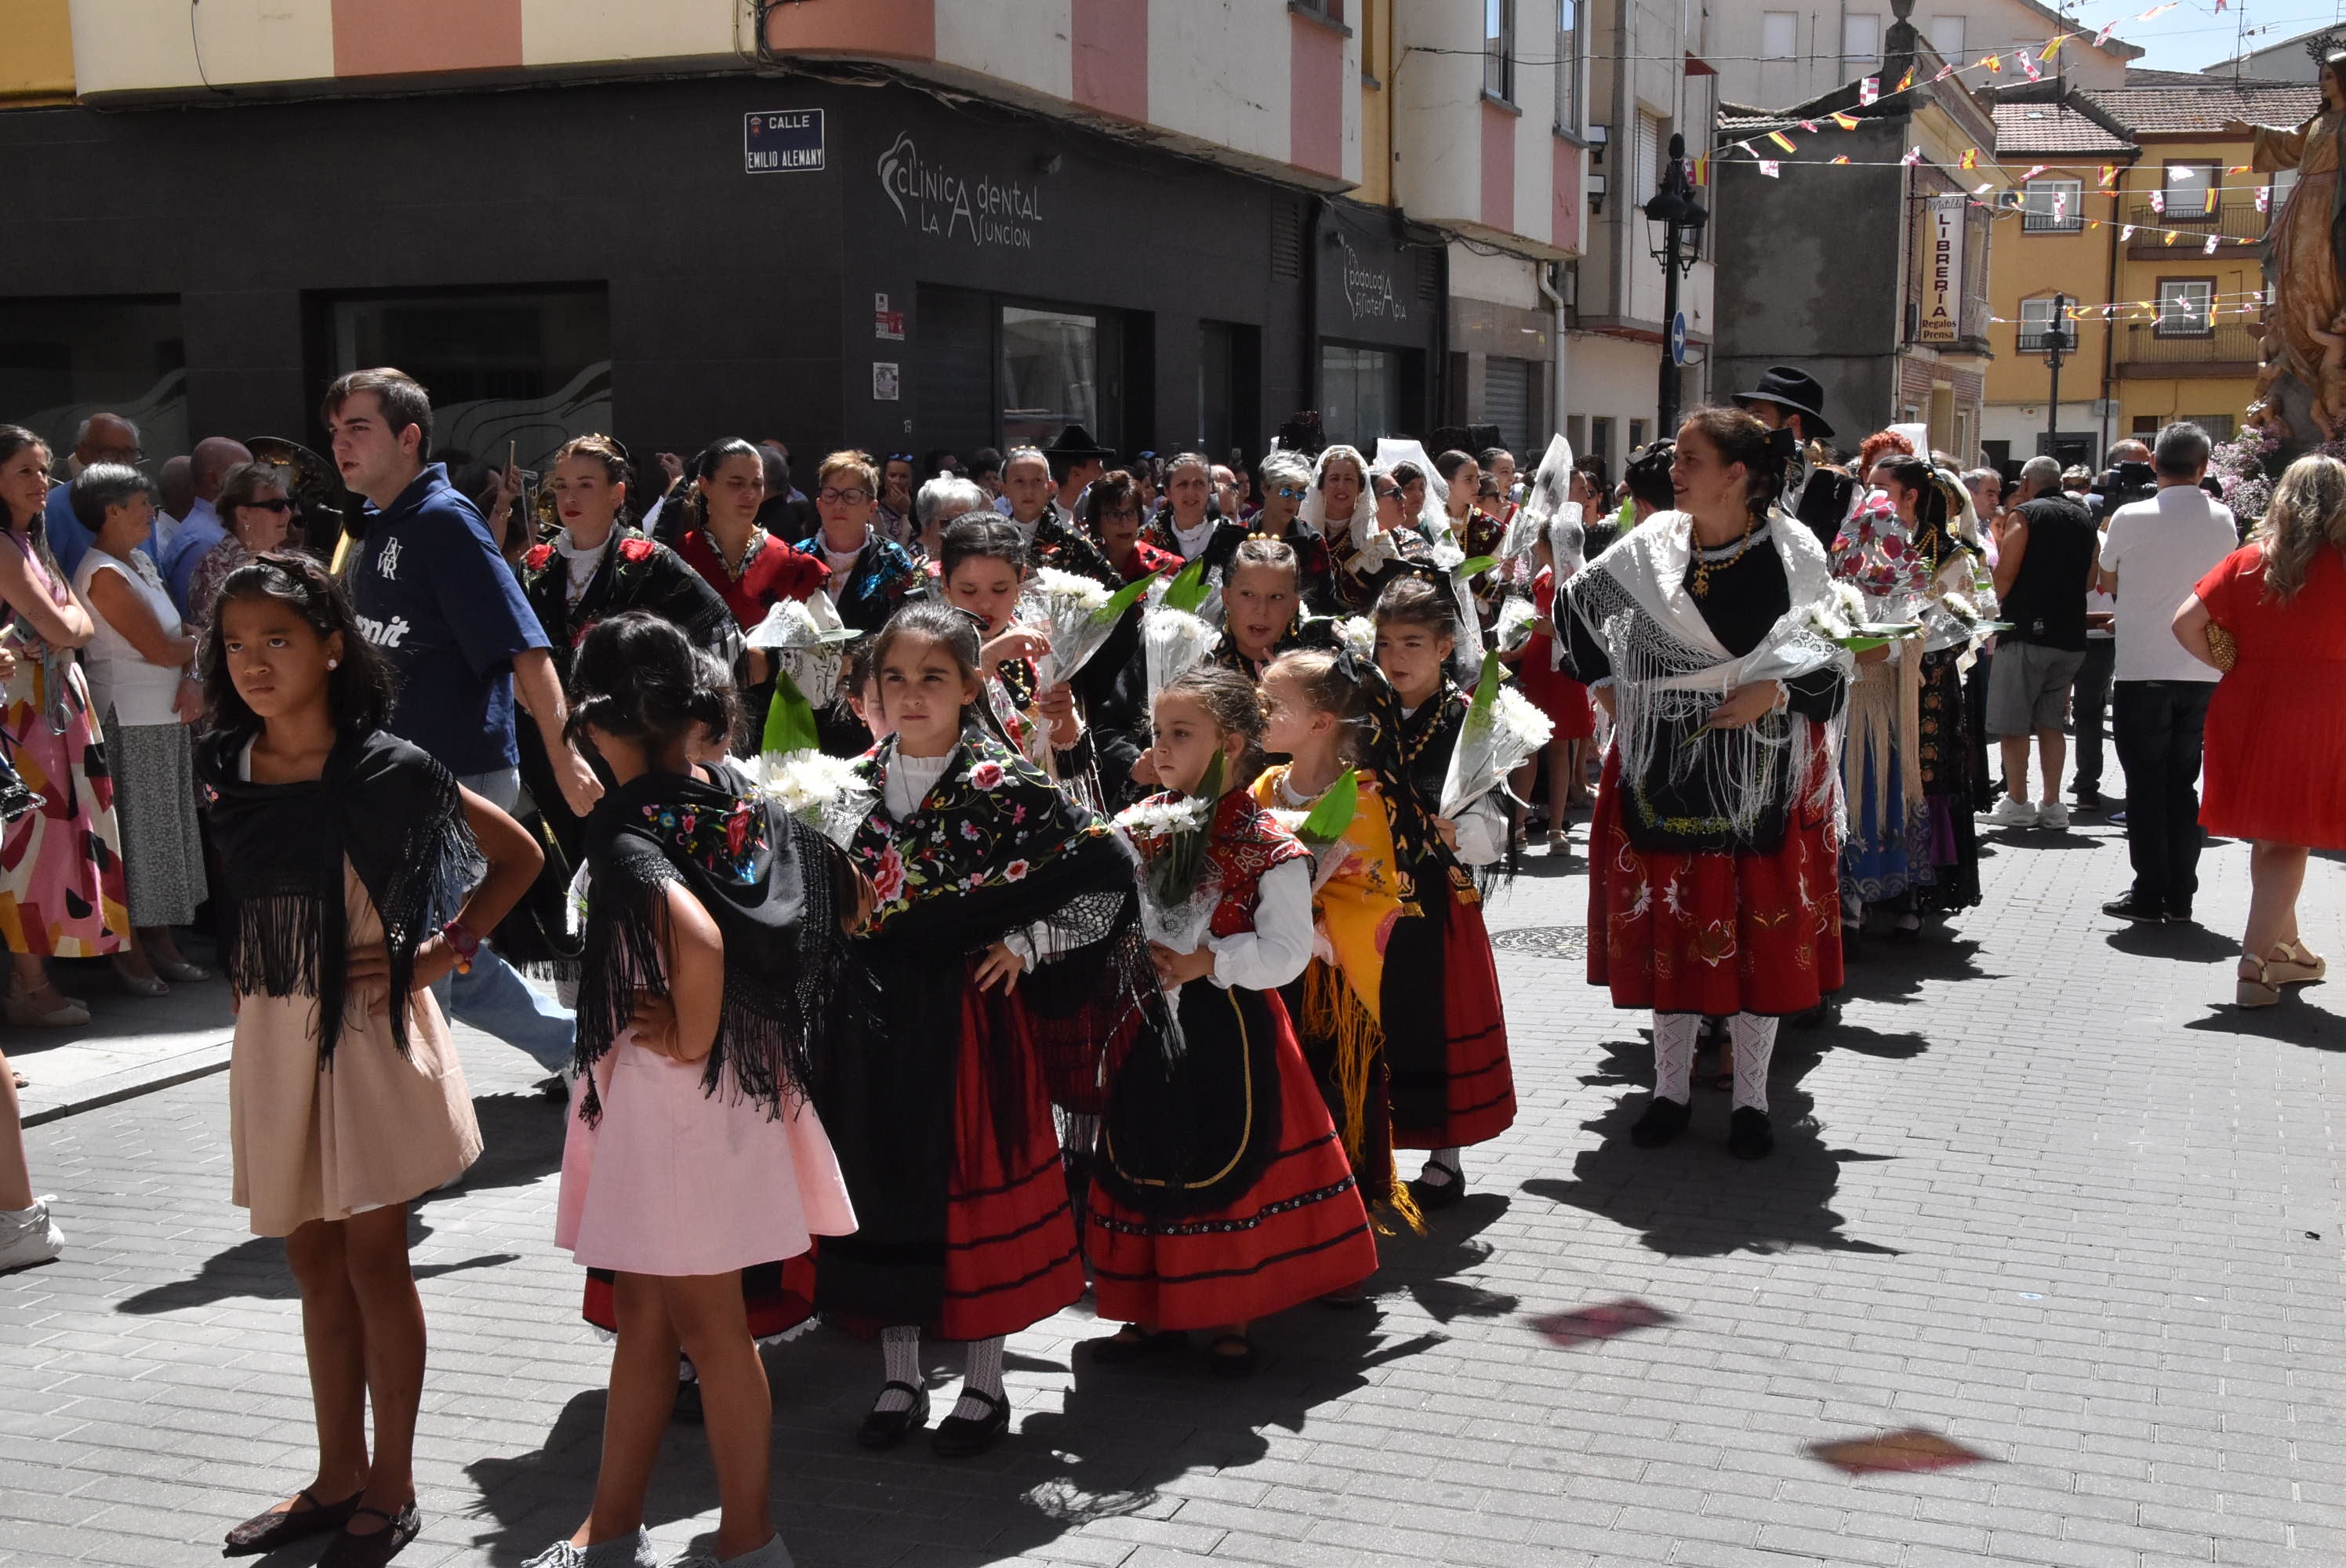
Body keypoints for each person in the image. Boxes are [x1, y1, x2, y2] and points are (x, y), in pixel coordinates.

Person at [203, 553, 538, 1568]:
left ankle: (390, 1489)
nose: (254, 662)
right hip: (271, 1034)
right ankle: (335, 1475)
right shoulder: (218, 765)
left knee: (372, 1259)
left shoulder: (389, 764)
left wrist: (439, 951)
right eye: (236, 644)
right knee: (309, 1257)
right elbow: (180, 885)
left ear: (331, 647)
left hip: (374, 1036)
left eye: (279, 641)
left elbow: (519, 856)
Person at [532, 615, 858, 1568]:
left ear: (600, 725)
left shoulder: (631, 823)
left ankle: (750, 1540)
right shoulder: (734, 800)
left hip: (676, 1091)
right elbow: (835, 891)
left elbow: (700, 942)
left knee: (709, 1329)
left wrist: (686, 1028)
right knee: (648, 1318)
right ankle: (613, 1528)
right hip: (736, 1087)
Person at [826, 599, 1164, 1454]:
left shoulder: (1006, 783)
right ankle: (900, 1377)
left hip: (971, 1025)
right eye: (893, 677)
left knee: (971, 1194)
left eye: (932, 677)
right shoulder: (845, 786)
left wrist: (1028, 939)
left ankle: (983, 1382)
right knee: (884, 1189)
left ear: (972, 683)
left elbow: (1109, 873)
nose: (909, 694)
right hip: (872, 1022)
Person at [1559, 408, 1850, 1160]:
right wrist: (1605, 686)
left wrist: (1776, 693)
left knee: (1756, 924)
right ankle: (1670, 1091)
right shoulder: (1651, 547)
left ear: (1737, 475)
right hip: (1660, 762)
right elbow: (1575, 605)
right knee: (1673, 922)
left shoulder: (1795, 555)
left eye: (1691, 459)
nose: (1674, 470)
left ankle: (1751, 1100)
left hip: (1762, 763)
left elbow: (1830, 657)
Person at [1088, 666, 1378, 1372]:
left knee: (1230, 1161)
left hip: (1234, 1031)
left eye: (1181, 734)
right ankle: (1144, 1308)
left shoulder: (1271, 846)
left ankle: (1231, 1314)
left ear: (1235, 741)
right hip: (1148, 1024)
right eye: (1158, 733)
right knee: (1144, 1156)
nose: (1162, 748)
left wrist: (1210, 962)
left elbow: (1284, 953)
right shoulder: (1137, 826)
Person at [327, 368, 590, 1073]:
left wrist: (566, 762)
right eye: (335, 431)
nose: (340, 445)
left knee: (421, 960)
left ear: (408, 438)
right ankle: (583, 1054)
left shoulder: (444, 521)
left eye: (359, 428)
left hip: (457, 780)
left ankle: (417, 1128)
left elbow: (524, 645)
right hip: (397, 780)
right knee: (445, 958)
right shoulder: (381, 524)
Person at [1252, 649, 1418, 1238]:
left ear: (1321, 723)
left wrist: (1314, 923)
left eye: (1272, 705)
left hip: (1331, 975)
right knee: (1283, 1083)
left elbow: (1372, 890)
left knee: (1340, 1084)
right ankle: (1290, 1201)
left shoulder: (1363, 798)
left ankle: (1349, 1215)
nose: (1257, 711)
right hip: (1273, 966)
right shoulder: (1266, 785)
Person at [2171, 453, 2346, 1005]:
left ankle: (2285, 949)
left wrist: (2231, 663)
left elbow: (2185, 623)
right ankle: (2253, 965)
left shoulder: (2251, 560)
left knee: (2270, 833)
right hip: (2325, 702)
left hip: (2248, 699)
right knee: (2291, 838)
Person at [1367, 578, 1514, 1201]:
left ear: (1446, 645)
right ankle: (1369, 1145)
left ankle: (1444, 1157)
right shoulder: (1363, 712)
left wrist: (1459, 832)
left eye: (1413, 642)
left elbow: (1496, 830)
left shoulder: (1471, 719)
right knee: (1376, 1022)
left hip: (1437, 897)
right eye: (1384, 642)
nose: (1395, 657)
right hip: (1367, 895)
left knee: (1433, 1019)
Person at [0, 427, 129, 1026]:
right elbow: (64, 626)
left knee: (54, 840)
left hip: (50, 709)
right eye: (26, 470)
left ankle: (35, 979)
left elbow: (75, 620)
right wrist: (69, 626)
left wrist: (69, 624)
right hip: (24, 714)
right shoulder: (4, 546)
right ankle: (29, 984)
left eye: (45, 470)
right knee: (29, 845)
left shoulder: (32, 542)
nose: (42, 484)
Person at [69, 465, 209, 991]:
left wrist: (192, 659)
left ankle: (160, 941)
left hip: (164, 718)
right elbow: (161, 648)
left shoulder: (141, 562)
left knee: (163, 836)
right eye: (141, 503)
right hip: (130, 722)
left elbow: (182, 638)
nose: (152, 512)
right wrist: (200, 648)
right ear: (111, 512)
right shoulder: (103, 573)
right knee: (140, 841)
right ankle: (133, 950)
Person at [2096, 423, 2238, 924]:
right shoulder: (2223, 518)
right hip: (2201, 669)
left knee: (2145, 785)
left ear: (2154, 463)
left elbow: (2106, 578)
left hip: (2142, 668)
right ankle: (2182, 894)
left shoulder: (2130, 516)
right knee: (2183, 784)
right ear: (2204, 468)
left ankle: (2149, 890)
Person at [673, 437, 830, 734]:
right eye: (735, 483)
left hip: (774, 721)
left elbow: (826, 654)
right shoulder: (676, 560)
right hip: (691, 720)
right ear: (705, 486)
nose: (748, 495)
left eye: (756, 484)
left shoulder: (794, 565)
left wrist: (772, 662)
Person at [1984, 454, 2096, 829]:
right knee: (2052, 722)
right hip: (2071, 635)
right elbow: (2090, 579)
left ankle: (2017, 801)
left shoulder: (2026, 515)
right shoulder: (2084, 517)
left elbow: (2006, 575)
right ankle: (2053, 805)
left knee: (2013, 721)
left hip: (2027, 631)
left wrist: (1988, 604)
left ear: (2028, 482)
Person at [1511, 519, 1596, 851]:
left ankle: (1557, 827)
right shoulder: (1542, 578)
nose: (1534, 546)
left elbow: (1589, 631)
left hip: (1563, 670)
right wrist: (1513, 651)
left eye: (1539, 540)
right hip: (1537, 667)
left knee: (1560, 746)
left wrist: (1555, 632)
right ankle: (1519, 822)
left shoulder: (1578, 581)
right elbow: (1534, 628)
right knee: (1530, 744)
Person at [798, 450, 921, 637]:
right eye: (831, 495)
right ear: (819, 505)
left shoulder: (891, 558)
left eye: (851, 496)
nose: (839, 505)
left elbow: (908, 628)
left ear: (872, 508)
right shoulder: (797, 556)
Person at [1300, 445, 1425, 614]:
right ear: (1320, 486)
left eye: (1349, 479)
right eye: (1334, 479)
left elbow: (1393, 596)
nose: (1342, 486)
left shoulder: (1373, 537)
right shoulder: (1303, 534)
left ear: (1361, 488)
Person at [186, 460, 298, 642]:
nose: (287, 513)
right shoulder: (213, 567)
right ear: (243, 514)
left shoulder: (291, 559)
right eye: (276, 506)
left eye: (289, 504)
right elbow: (211, 639)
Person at [41, 412, 146, 579]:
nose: (120, 461)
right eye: (108, 451)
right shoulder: (52, 509)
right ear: (81, 452)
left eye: (129, 452)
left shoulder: (143, 506)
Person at [158, 436, 255, 614]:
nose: (253, 484)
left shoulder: (210, 531)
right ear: (213, 480)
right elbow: (202, 617)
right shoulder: (202, 541)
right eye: (243, 475)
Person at [998, 446, 1119, 586]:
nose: (1029, 490)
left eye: (1037, 481)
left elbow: (1114, 585)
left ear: (1050, 487)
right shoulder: (996, 537)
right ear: (1004, 489)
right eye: (1019, 481)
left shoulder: (1070, 538)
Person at [1214, 537, 1319, 681]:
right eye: (1248, 594)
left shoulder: (1313, 680)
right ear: (1227, 599)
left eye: (1276, 597)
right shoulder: (1203, 672)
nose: (1262, 609)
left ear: (1293, 607)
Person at [1140, 452, 1248, 579]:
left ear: (1210, 488)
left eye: (1199, 483)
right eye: (1182, 484)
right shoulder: (1148, 537)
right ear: (1167, 491)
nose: (1191, 493)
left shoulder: (1233, 538)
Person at [1250, 450, 1335, 609]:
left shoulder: (1312, 543)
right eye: (1286, 491)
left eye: (1300, 494)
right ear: (1265, 488)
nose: (1292, 501)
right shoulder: (1240, 535)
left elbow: (1326, 604)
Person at [1082, 469, 1178, 583]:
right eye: (1114, 515)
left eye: (1130, 513)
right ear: (1097, 520)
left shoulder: (1168, 568)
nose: (1124, 523)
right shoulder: (1083, 566)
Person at [912, 471, 991, 566]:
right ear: (927, 525)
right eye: (949, 523)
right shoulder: (913, 572)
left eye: (966, 521)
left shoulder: (985, 567)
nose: (959, 530)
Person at [1043, 424, 1109, 521]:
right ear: (1076, 474)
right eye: (1098, 463)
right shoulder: (1048, 520)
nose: (1103, 471)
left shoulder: (1101, 510)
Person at [874, 452, 917, 548]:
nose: (897, 481)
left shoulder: (919, 510)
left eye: (903, 476)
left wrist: (908, 510)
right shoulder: (876, 511)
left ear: (911, 481)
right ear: (884, 479)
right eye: (892, 475)